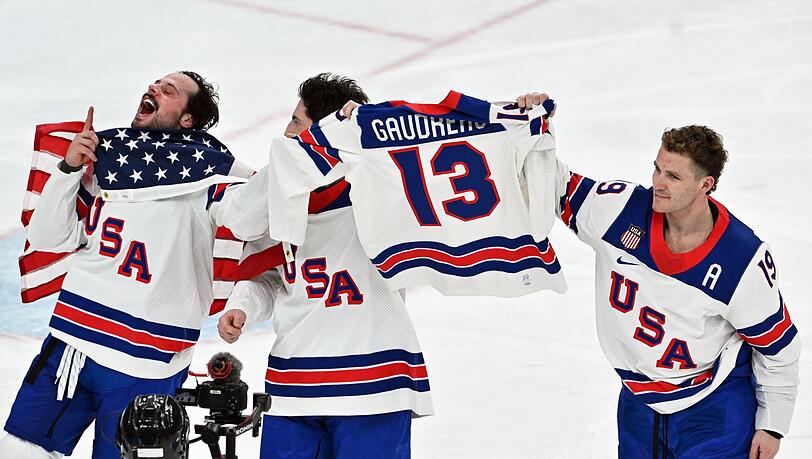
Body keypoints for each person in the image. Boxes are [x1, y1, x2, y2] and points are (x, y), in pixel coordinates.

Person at [516, 93, 800, 459]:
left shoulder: (741, 259)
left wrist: (772, 424)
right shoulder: (620, 210)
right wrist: (532, 128)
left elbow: (778, 347)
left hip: (714, 406)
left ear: (705, 185)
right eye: (657, 169)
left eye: (673, 176)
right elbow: (552, 186)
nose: (658, 183)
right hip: (638, 401)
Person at [1, 71, 268, 458]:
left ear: (187, 119)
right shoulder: (109, 159)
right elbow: (46, 238)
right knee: (20, 451)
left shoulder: (212, 176)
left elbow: (248, 219)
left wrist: (282, 169)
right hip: (73, 347)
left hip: (146, 366)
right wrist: (69, 169)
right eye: (154, 85)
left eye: (169, 91)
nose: (153, 90)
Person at [217, 73, 434, 459]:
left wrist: (514, 126)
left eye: (298, 122)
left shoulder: (380, 186)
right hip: (294, 382)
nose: (287, 131)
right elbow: (253, 244)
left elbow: (449, 160)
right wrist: (244, 305)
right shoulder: (279, 197)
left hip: (375, 383)